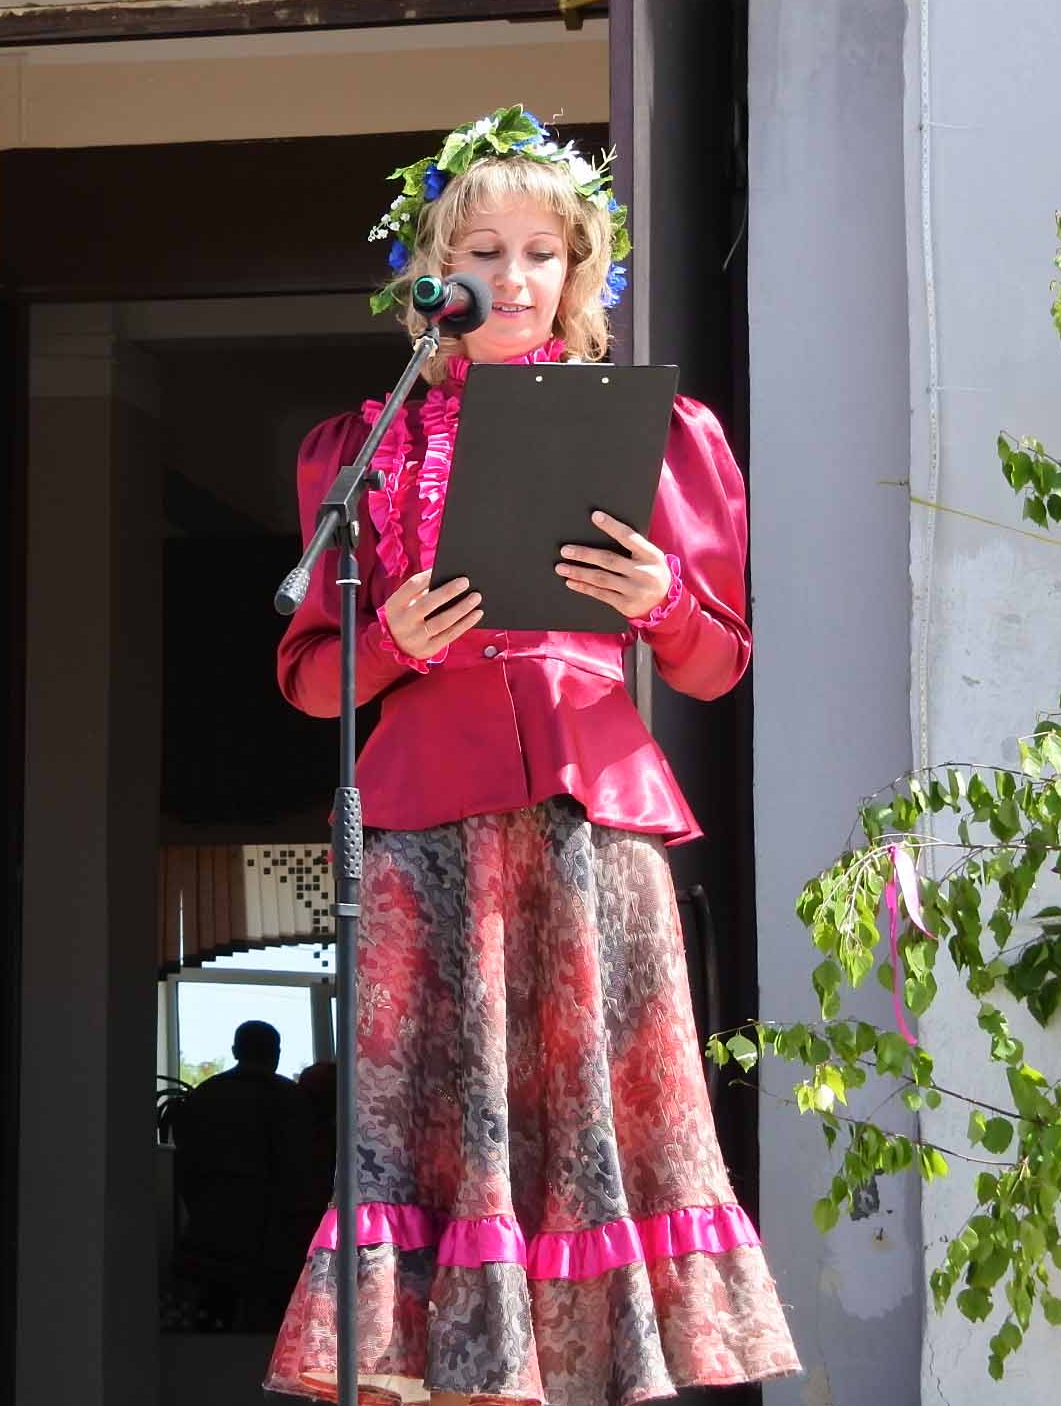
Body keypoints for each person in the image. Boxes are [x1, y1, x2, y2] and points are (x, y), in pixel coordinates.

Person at [262, 109, 798, 1404]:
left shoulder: (666, 435)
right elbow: (311, 679)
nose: (513, 279)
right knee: (427, 1137)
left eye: (542, 253)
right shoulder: (359, 447)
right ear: (431, 276)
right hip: (422, 835)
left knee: (598, 1138)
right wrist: (387, 642)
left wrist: (662, 600)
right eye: (483, 251)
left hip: (586, 820)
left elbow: (717, 666)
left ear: (580, 271)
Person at [171, 1021, 314, 1331]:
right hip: (271, 1239)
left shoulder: (206, 1094)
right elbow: (301, 1169)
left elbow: (186, 1164)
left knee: (211, 1327)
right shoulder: (290, 1098)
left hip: (211, 1232)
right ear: (275, 1053)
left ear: (235, 1050)